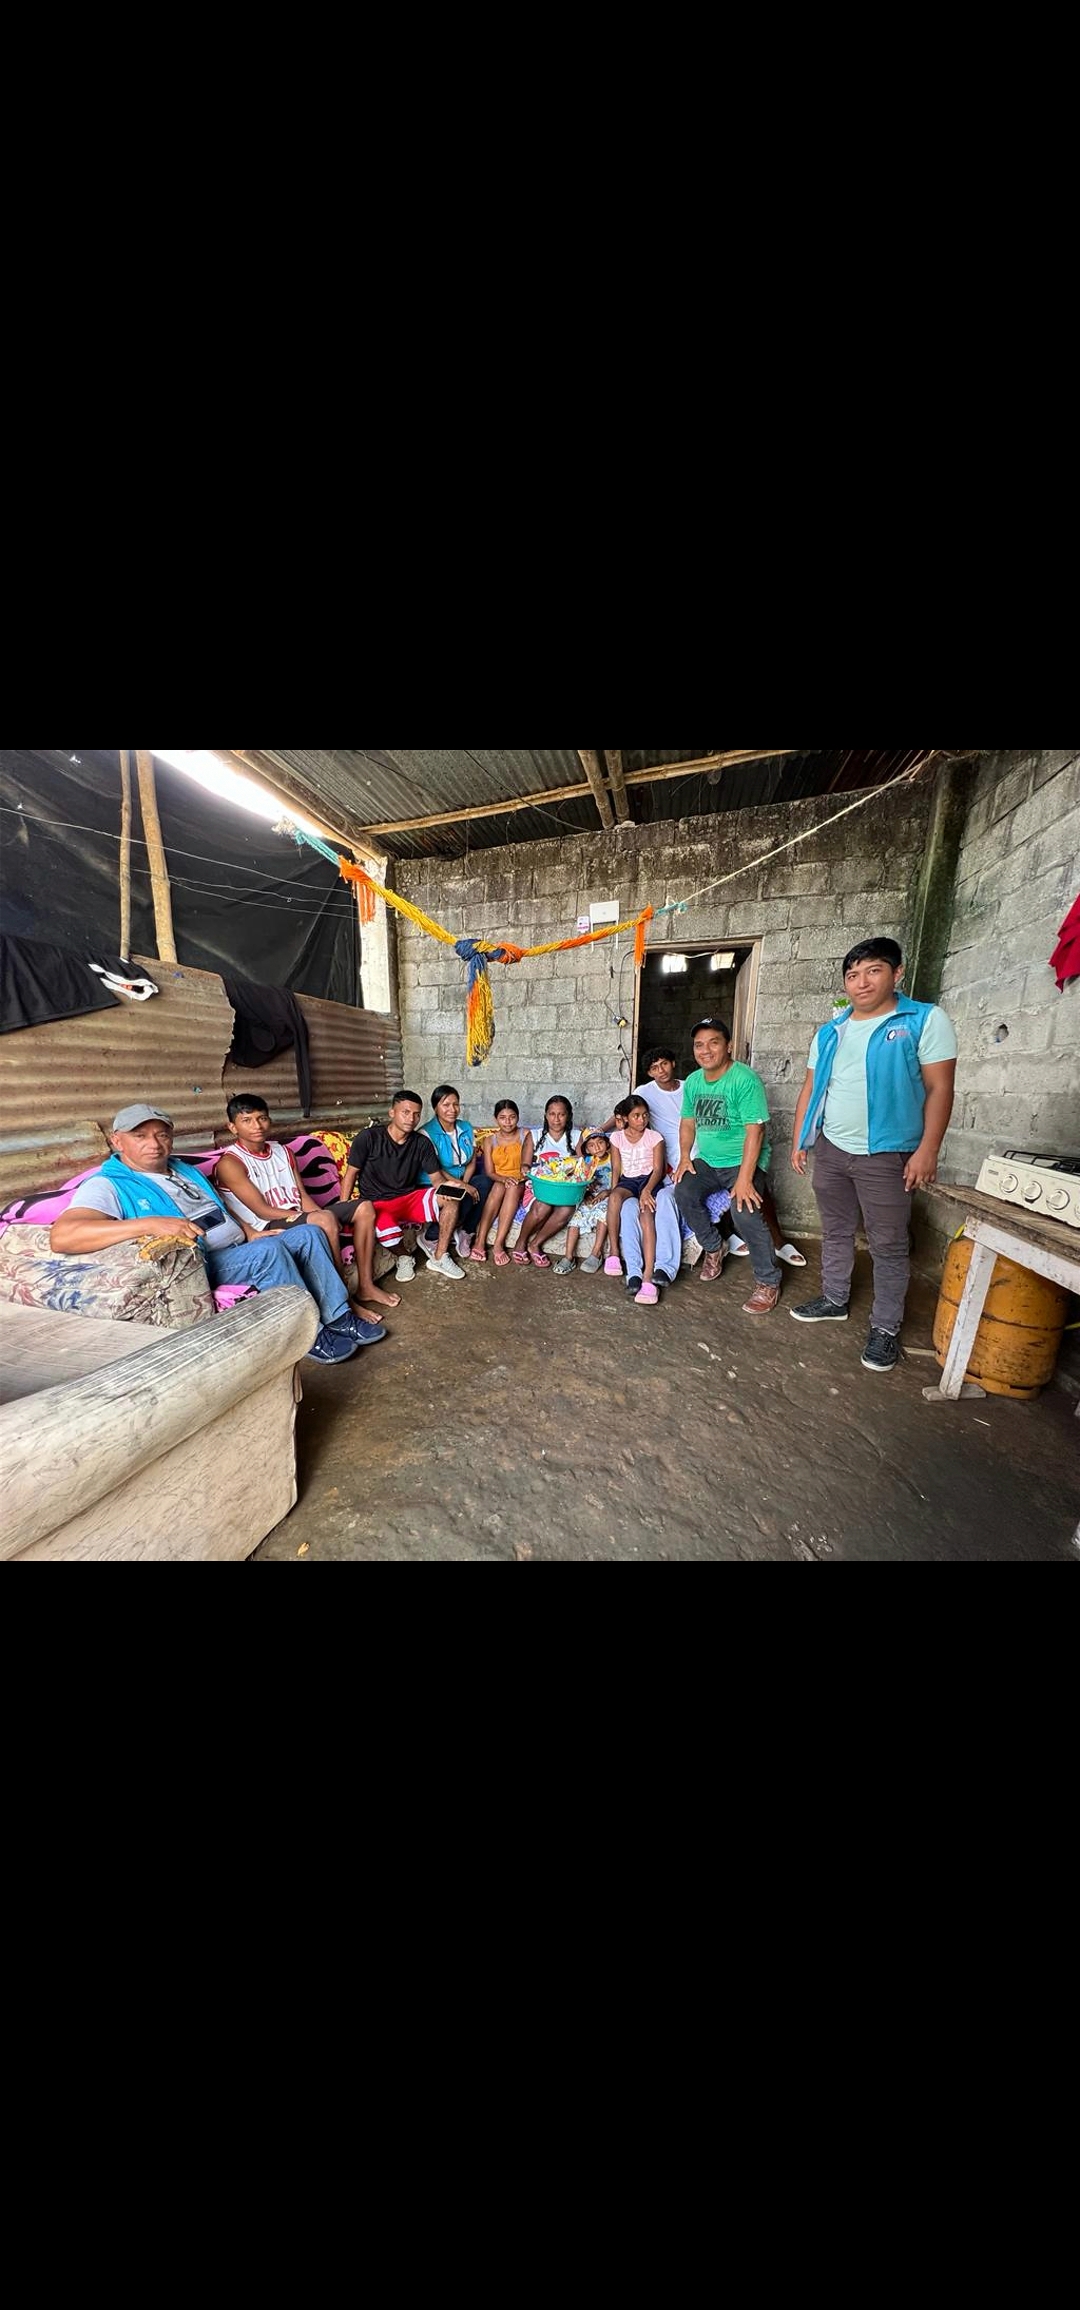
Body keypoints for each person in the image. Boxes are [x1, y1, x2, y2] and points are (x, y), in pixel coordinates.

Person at [49, 1104, 385, 1363]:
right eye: (140, 1136)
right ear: (117, 1140)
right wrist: (151, 1224)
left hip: (239, 1244)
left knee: (309, 1234)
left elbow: (221, 1211)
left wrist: (249, 1231)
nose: (154, 1144)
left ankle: (339, 1315)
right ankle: (307, 1333)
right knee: (268, 1252)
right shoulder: (108, 1183)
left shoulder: (182, 1169)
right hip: (203, 1261)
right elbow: (64, 1235)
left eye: (162, 1135)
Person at [790, 938, 958, 1372]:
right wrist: (801, 1139)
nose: (862, 982)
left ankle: (885, 1327)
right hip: (831, 1147)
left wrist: (928, 1150)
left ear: (896, 973)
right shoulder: (831, 1031)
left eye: (873, 971)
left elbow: (940, 1087)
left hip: (887, 1153)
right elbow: (811, 1088)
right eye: (853, 975)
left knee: (888, 1244)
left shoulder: (922, 1020)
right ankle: (834, 1298)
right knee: (836, 1230)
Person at [214, 1096, 384, 1324]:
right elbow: (262, 1211)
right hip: (267, 1224)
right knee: (324, 1220)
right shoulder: (231, 1163)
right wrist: (319, 1219)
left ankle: (366, 1286)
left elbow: (301, 1196)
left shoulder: (283, 1152)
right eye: (247, 1120)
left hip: (296, 1215)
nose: (257, 1126)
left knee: (364, 1207)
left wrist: (321, 1215)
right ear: (233, 1127)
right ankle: (346, 1301)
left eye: (262, 1118)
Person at [674, 1020, 783, 1314]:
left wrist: (745, 1179)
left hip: (743, 1161)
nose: (706, 1050)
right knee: (683, 1190)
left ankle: (768, 1281)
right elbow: (687, 1123)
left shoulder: (744, 1079)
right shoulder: (694, 1081)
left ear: (729, 1046)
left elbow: (755, 1132)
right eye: (699, 1045)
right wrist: (685, 1157)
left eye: (714, 1042)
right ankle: (714, 1246)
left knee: (744, 1212)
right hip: (709, 1161)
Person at [340, 1091, 468, 1305]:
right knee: (385, 1230)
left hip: (409, 1198)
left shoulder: (421, 1143)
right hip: (376, 1203)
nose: (411, 1119)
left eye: (416, 1114)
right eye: (405, 1112)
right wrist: (344, 1208)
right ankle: (404, 1255)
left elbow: (436, 1179)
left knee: (450, 1199)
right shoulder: (369, 1137)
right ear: (392, 1112)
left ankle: (439, 1256)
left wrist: (449, 1187)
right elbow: (350, 1174)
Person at [418, 1085, 491, 1261]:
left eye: (456, 1104)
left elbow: (471, 1160)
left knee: (484, 1183)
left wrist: (466, 1183)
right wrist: (464, 1186)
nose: (452, 1109)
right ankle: (430, 1237)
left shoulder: (465, 1127)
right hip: (433, 1182)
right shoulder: (426, 1133)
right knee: (461, 1196)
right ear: (435, 1107)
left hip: (460, 1178)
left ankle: (465, 1232)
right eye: (446, 1105)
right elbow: (437, 1169)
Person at [607, 1098, 666, 1304]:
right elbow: (616, 1168)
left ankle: (648, 1276)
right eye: (636, 1116)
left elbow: (658, 1170)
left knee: (646, 1215)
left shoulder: (654, 1137)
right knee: (615, 1198)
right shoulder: (616, 1138)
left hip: (649, 1181)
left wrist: (647, 1191)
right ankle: (614, 1252)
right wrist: (613, 1190)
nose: (642, 1120)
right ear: (625, 1118)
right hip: (629, 1181)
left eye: (645, 1115)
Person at [513, 1097, 577, 1268]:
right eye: (552, 1114)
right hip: (538, 1188)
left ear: (568, 1116)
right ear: (546, 1115)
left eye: (561, 1114)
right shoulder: (534, 1136)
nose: (556, 1119)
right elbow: (525, 1165)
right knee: (544, 1205)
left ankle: (535, 1244)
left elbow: (581, 1167)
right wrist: (525, 1169)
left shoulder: (576, 1137)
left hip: (564, 1190)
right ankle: (521, 1242)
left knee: (567, 1209)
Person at [479, 1101, 534, 1267]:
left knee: (512, 1187)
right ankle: (480, 1241)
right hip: (499, 1179)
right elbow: (490, 1172)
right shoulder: (489, 1140)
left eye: (512, 1117)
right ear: (495, 1119)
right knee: (498, 1187)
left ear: (518, 1117)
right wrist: (503, 1179)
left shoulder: (526, 1135)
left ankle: (498, 1243)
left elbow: (530, 1165)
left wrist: (517, 1178)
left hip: (521, 1179)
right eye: (502, 1118)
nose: (508, 1122)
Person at [554, 1131, 613, 1275]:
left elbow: (621, 1181)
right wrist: (585, 1193)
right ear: (587, 1149)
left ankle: (596, 1253)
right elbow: (580, 1181)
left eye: (600, 1143)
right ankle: (568, 1257)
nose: (597, 1148)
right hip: (590, 1197)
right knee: (575, 1218)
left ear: (607, 1143)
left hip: (609, 1195)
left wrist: (608, 1192)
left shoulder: (614, 1158)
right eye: (591, 1145)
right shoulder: (586, 1162)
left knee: (603, 1214)